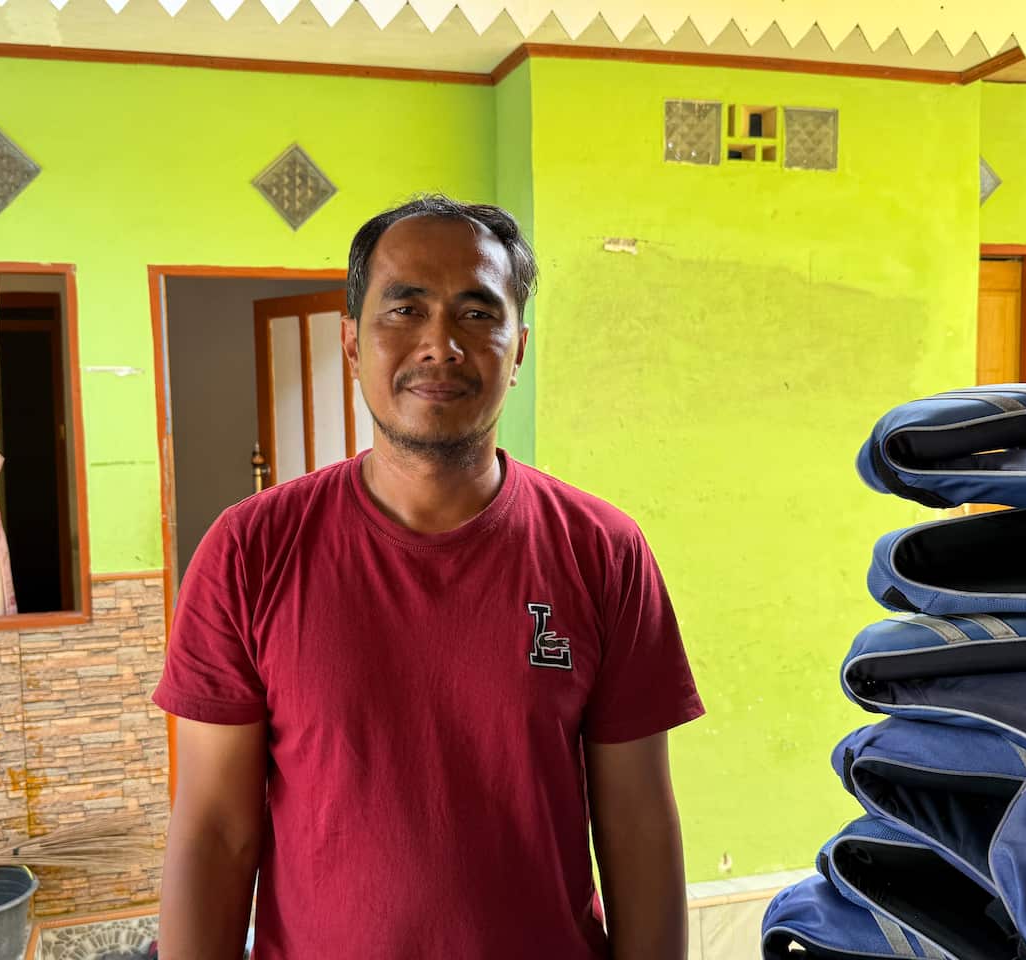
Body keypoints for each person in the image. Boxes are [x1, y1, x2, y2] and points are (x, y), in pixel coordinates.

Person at [153, 195, 704, 959]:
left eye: (478, 315)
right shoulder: (250, 552)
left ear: (517, 351)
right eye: (404, 310)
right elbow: (214, 830)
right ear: (351, 343)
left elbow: (638, 822)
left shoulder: (602, 550)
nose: (440, 344)